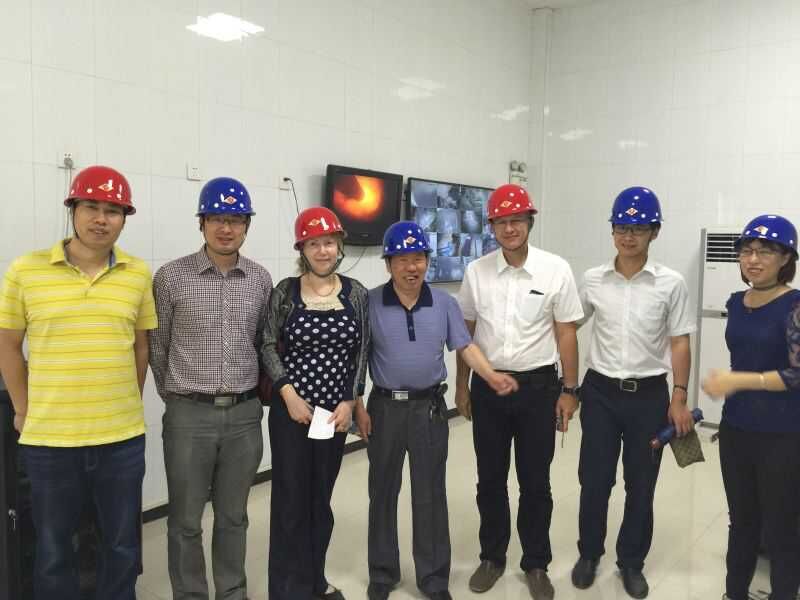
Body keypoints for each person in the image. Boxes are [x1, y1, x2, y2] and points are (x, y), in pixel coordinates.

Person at [0, 165, 157, 600]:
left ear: (124, 218)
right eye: (91, 207)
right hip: (50, 441)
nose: (101, 219)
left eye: (113, 210)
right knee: (54, 549)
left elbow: (140, 347)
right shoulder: (26, 270)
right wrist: (22, 410)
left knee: (121, 544)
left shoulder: (138, 274)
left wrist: (127, 402)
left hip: (121, 440)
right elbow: (8, 345)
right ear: (72, 209)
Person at [355, 221, 518, 600]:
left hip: (429, 410)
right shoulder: (370, 303)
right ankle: (383, 573)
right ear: (388, 264)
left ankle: (433, 578)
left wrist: (490, 375)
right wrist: (358, 405)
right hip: (384, 409)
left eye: (418, 259)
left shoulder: (444, 304)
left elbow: (465, 346)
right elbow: (357, 359)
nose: (411, 267)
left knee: (430, 494)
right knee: (382, 492)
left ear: (428, 262)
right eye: (402, 260)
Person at [454, 184, 583, 600]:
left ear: (529, 222)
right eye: (501, 222)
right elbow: (465, 334)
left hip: (538, 389)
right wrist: (461, 385)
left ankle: (536, 563)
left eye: (517, 220)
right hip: (488, 388)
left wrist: (570, 389)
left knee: (535, 482)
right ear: (491, 226)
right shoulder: (477, 272)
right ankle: (492, 557)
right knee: (490, 479)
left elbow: (566, 333)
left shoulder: (555, 270)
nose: (509, 228)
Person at [148, 177, 272, 600]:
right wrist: (179, 398)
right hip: (189, 413)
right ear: (201, 222)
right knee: (185, 520)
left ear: (247, 226)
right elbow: (158, 346)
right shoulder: (171, 277)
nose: (226, 228)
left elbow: (263, 342)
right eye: (217, 218)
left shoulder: (260, 279)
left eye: (236, 219)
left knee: (234, 516)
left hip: (244, 416)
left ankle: (232, 591)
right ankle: (190, 594)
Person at [571, 186, 696, 599]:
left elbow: (680, 342)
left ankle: (631, 562)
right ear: (612, 231)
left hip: (649, 396)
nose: (628, 236)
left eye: (638, 229)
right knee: (594, 480)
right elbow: (568, 326)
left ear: (654, 232)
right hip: (600, 394)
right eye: (621, 228)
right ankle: (589, 554)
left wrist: (679, 396)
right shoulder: (593, 279)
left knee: (641, 484)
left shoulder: (670, 283)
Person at [262, 206, 370, 600]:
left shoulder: (356, 293)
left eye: (329, 242)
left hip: (330, 416)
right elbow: (266, 344)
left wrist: (349, 400)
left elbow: (361, 351)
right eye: (313, 244)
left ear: (339, 246)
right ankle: (285, 589)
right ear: (302, 249)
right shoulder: (285, 292)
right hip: (292, 414)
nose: (322, 250)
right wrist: (287, 393)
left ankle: (314, 581)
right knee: (289, 501)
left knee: (319, 500)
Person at [702, 214, 800, 600]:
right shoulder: (736, 302)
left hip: (783, 433)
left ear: (786, 258)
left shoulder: (794, 305)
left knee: (781, 526)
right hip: (736, 428)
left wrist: (738, 381)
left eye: (765, 251)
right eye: (747, 250)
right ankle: (734, 593)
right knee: (741, 520)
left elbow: (797, 374)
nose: (753, 259)